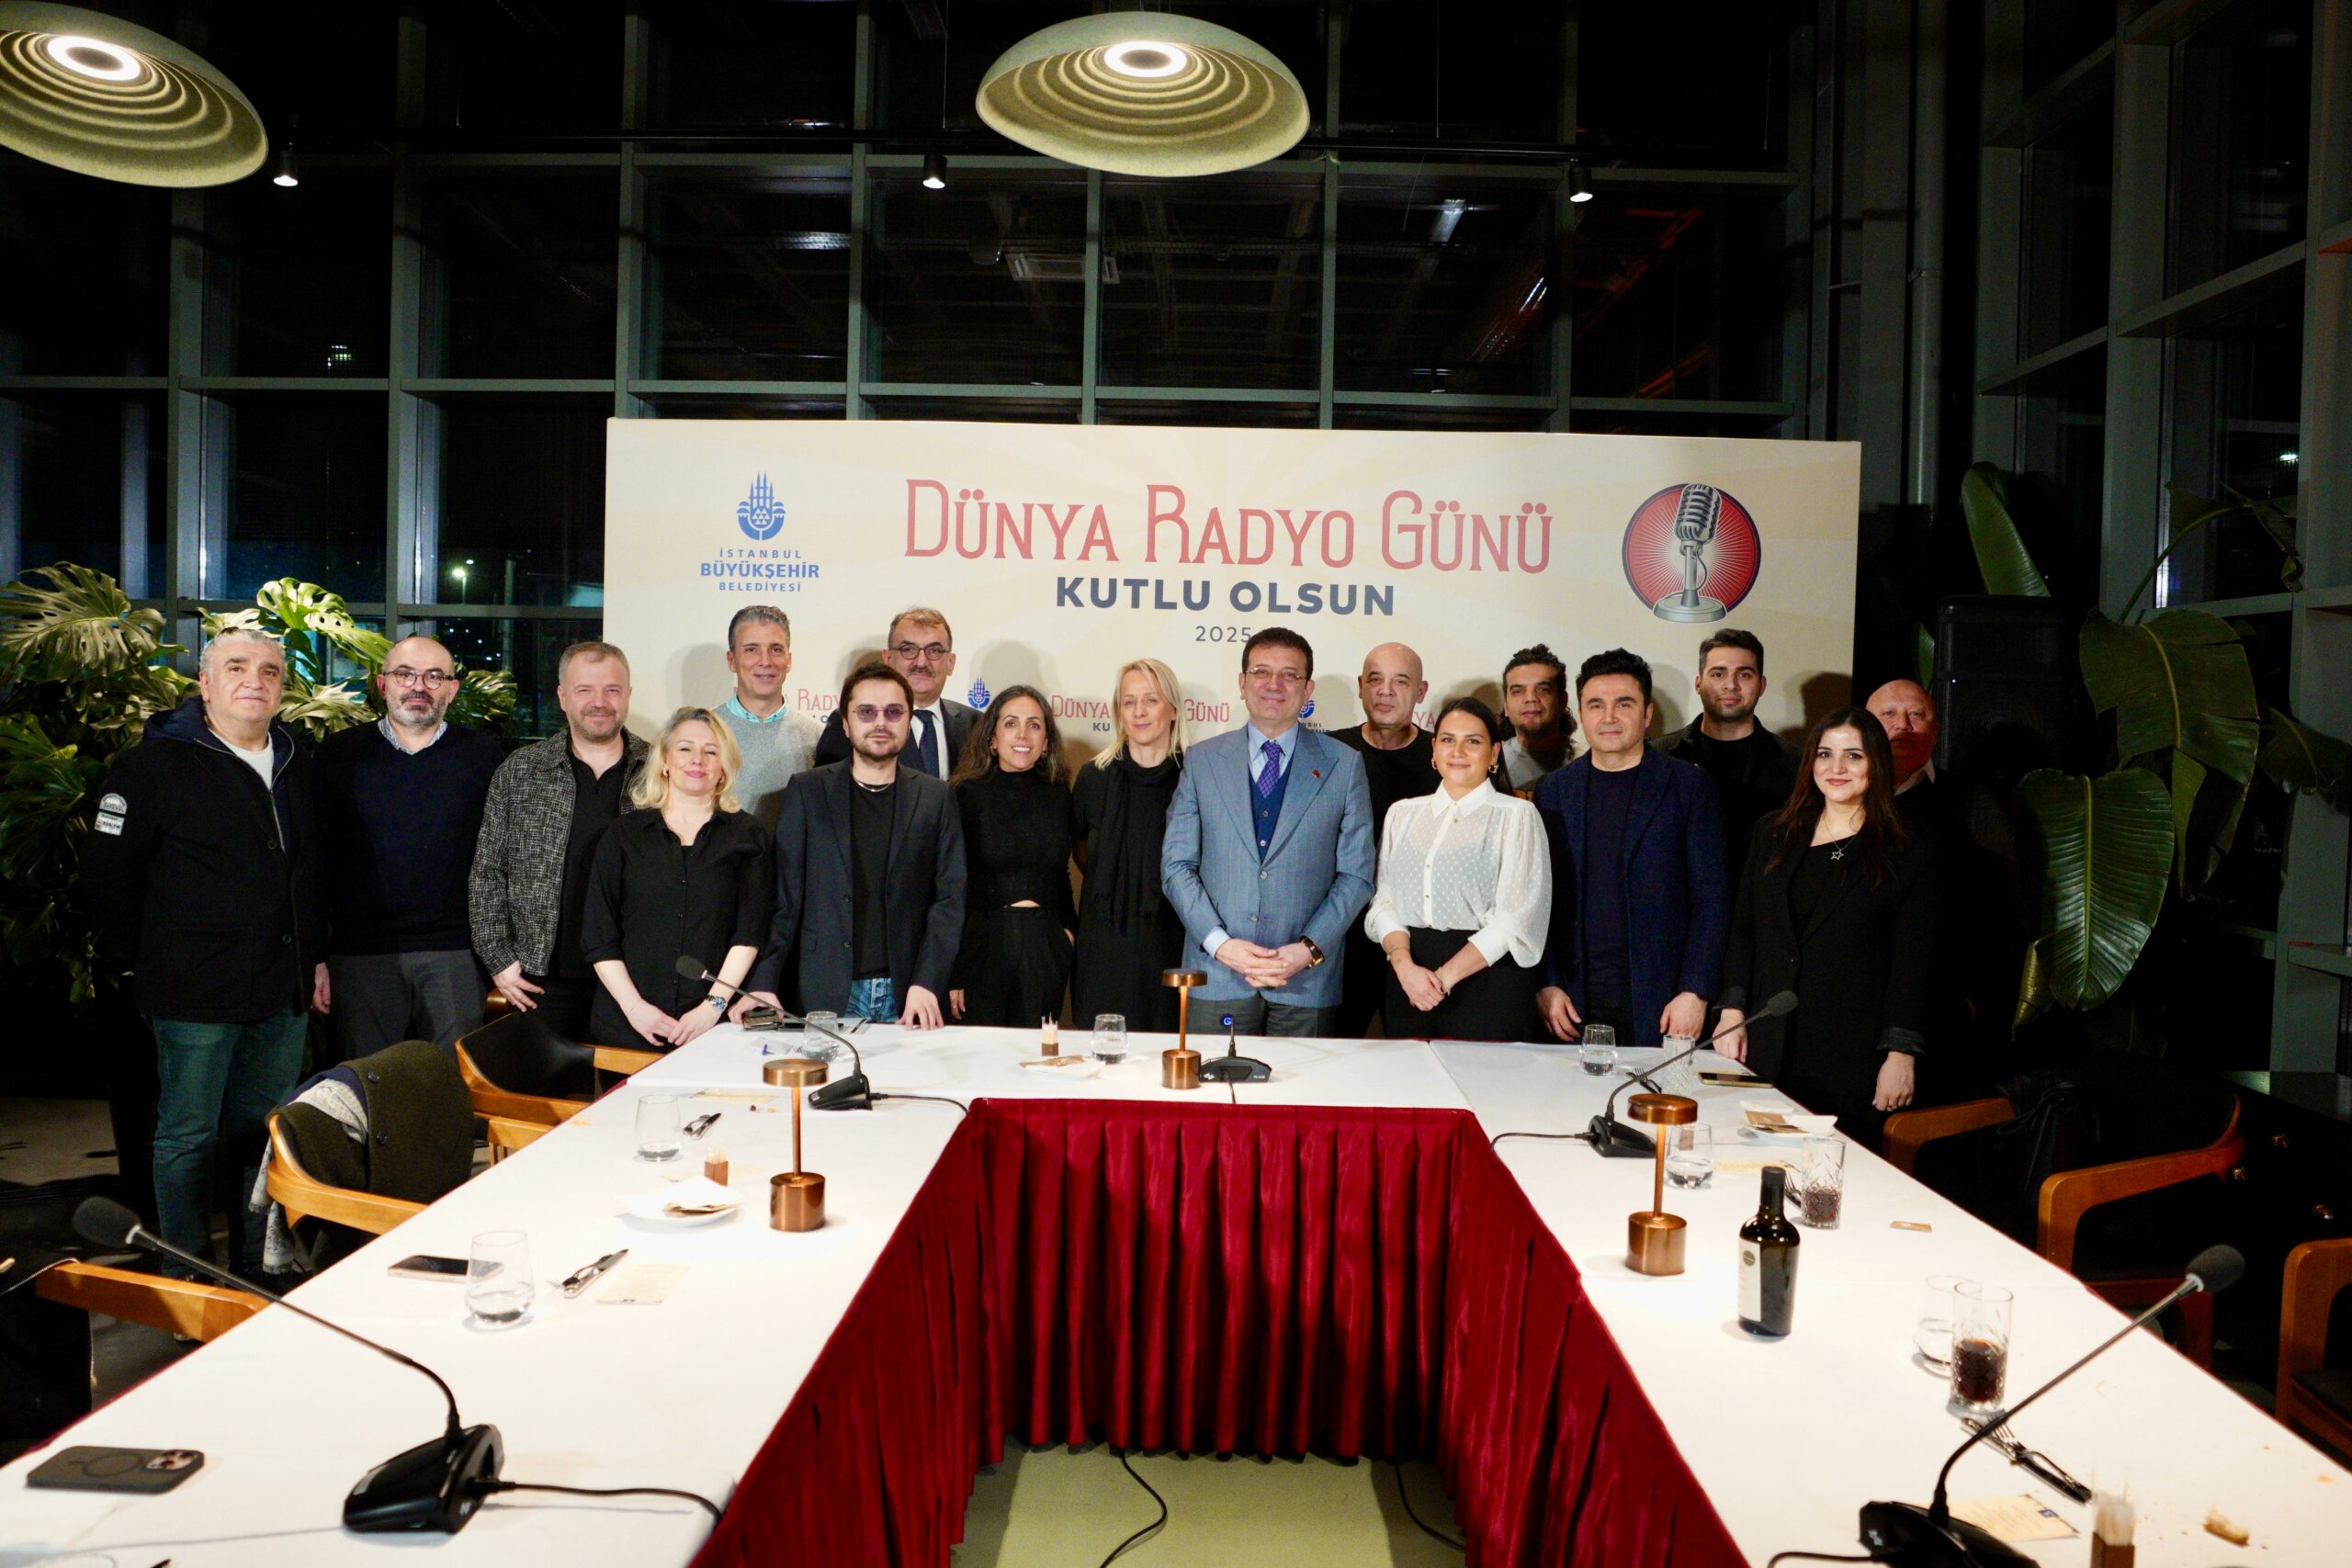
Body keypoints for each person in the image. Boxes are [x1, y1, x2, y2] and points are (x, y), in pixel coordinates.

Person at [81, 629, 328, 1276]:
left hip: (280, 989)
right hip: (192, 991)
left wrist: (312, 959)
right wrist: (156, 954)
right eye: (237, 667)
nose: (255, 680)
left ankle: (256, 1264)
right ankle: (189, 1270)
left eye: (269, 671)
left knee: (263, 1131)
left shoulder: (296, 758)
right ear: (206, 683)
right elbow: (108, 876)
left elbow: (309, 873)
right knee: (187, 1137)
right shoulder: (154, 765)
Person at [1716, 709, 1939, 1150]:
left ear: (1876, 763)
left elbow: (1913, 962)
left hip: (1851, 1058)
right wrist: (1732, 1011)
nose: (1836, 768)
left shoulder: (1911, 847)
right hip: (1767, 1047)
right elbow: (1743, 929)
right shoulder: (1774, 832)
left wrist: (1901, 1053)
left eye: (1853, 756)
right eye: (1825, 754)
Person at [1160, 627, 1375, 1036]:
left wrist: (1308, 950)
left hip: (1306, 980)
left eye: (1289, 675)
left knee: (1303, 1081)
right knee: (1215, 1080)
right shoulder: (1202, 761)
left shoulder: (1344, 765)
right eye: (1261, 672)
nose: (1274, 684)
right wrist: (1221, 944)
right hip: (1217, 975)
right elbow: (1176, 866)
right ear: (1242, 683)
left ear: (1307, 689)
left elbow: (1357, 875)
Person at [733, 662, 966, 1027]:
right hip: (821, 989)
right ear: (845, 723)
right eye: (866, 712)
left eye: (893, 712)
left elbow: (949, 900)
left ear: (908, 721)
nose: (880, 722)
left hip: (909, 996)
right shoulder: (807, 791)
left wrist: (927, 982)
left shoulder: (936, 797)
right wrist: (764, 981)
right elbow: (784, 897)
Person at [314, 636, 503, 1059]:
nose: (419, 686)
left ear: (452, 689)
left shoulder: (484, 757)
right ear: (383, 684)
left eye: (434, 676)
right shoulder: (339, 756)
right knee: (366, 1082)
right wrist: (316, 958)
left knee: (451, 1081)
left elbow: (502, 862)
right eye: (405, 674)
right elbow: (316, 860)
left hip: (455, 952)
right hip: (361, 954)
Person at [1532, 649, 1727, 1049]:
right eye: (1596, 705)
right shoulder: (1554, 790)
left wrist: (1695, 991)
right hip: (1573, 1002)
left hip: (1663, 1002)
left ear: (1647, 713)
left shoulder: (1689, 787)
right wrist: (1546, 983)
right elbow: (1538, 897)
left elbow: (1712, 899)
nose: (1609, 717)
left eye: (1624, 704)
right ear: (1580, 714)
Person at [469, 640, 649, 1042]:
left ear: (628, 695)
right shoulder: (520, 771)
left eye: (612, 690)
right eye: (585, 690)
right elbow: (487, 872)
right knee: (538, 1084)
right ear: (563, 697)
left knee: (626, 1084)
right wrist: (500, 959)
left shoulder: (659, 772)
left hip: (635, 980)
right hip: (540, 981)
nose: (599, 702)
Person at [1868, 676, 2029, 1093]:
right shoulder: (1841, 800)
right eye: (1888, 714)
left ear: (1935, 732)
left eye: (1916, 715)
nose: (1902, 725)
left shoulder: (1974, 805)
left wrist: (1972, 995)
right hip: (1851, 1004)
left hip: (1937, 1014)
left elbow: (2005, 908)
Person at [581, 708, 773, 1051]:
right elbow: (598, 935)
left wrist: (712, 1008)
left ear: (724, 767)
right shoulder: (623, 835)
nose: (697, 759)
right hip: (628, 1026)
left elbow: (749, 933)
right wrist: (634, 1008)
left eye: (711, 751)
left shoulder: (748, 835)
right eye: (685, 748)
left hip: (714, 1028)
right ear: (665, 761)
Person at [1364, 697, 1550, 1042]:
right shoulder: (1402, 814)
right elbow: (1384, 902)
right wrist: (1405, 968)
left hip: (1487, 983)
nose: (1458, 751)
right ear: (1434, 749)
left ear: (1494, 753)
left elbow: (1516, 918)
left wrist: (1442, 979)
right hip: (1409, 983)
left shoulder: (1516, 816)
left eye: (1473, 741)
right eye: (1448, 740)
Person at [1070, 659, 1189, 1032]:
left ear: (1173, 709)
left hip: (1171, 941)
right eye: (1129, 701)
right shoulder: (1094, 777)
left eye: (1151, 700)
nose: (1139, 712)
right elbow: (1080, 849)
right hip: (1104, 941)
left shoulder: (1195, 778)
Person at [948, 686, 1076, 1027]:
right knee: (983, 1053)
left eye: (1034, 725)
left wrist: (1066, 934)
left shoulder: (1058, 792)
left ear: (1046, 741)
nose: (1022, 734)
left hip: (1045, 946)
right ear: (992, 738)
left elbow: (1059, 873)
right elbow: (954, 884)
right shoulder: (964, 793)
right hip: (983, 945)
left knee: (1038, 1053)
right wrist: (956, 968)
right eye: (1010, 724)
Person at [1330, 641, 1442, 1034]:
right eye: (1375, 680)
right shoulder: (1329, 751)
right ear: (1361, 686)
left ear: (1421, 691)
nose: (1386, 691)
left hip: (1418, 942)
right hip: (1339, 936)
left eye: (1401, 682)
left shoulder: (1445, 757)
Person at [1657, 627, 1798, 881]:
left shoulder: (1795, 762)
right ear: (1699, 683)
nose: (1731, 685)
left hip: (1761, 901)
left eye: (1744, 674)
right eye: (1718, 674)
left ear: (1762, 685)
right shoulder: (1659, 757)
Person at [813, 606, 976, 780]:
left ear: (951, 663)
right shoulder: (851, 722)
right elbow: (826, 789)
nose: (921, 662)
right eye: (908, 649)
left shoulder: (975, 724)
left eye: (934, 651)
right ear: (888, 658)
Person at [715, 604, 821, 829]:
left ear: (789, 660)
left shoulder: (816, 737)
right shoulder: (704, 732)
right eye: (751, 649)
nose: (765, 661)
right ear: (731, 660)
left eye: (776, 649)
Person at [1498, 643, 1575, 791]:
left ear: (1562, 701)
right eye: (1518, 691)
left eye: (1542, 689)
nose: (1531, 698)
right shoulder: (1487, 761)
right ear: (1506, 706)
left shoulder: (1590, 761)